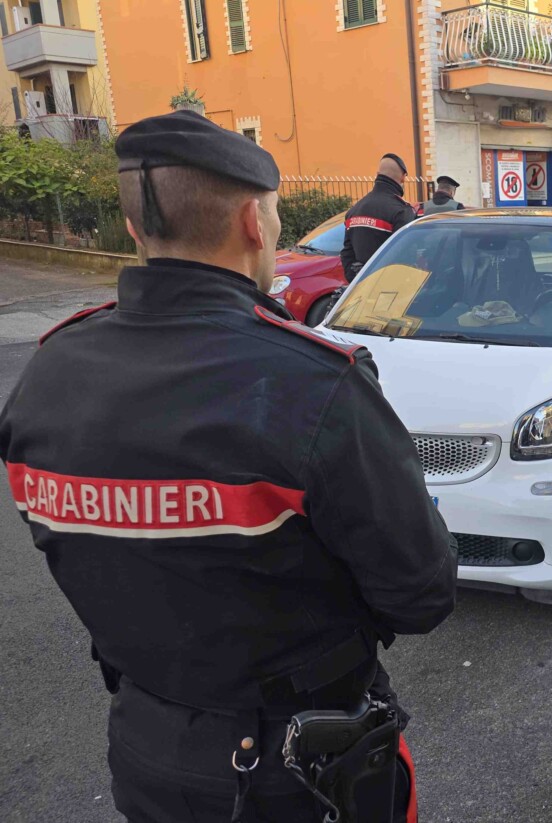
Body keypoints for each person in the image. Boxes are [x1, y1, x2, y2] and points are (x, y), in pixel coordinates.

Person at [0, 110, 457, 821]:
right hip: (305, 772)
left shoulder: (47, 374)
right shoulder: (312, 385)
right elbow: (422, 592)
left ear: (132, 229)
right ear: (253, 220)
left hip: (149, 751)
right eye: (275, 218)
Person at [340, 152, 417, 281]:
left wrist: (356, 279)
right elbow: (406, 256)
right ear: (403, 178)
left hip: (361, 289)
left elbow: (347, 252)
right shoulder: (400, 210)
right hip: (390, 288)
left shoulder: (354, 210)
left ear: (377, 175)